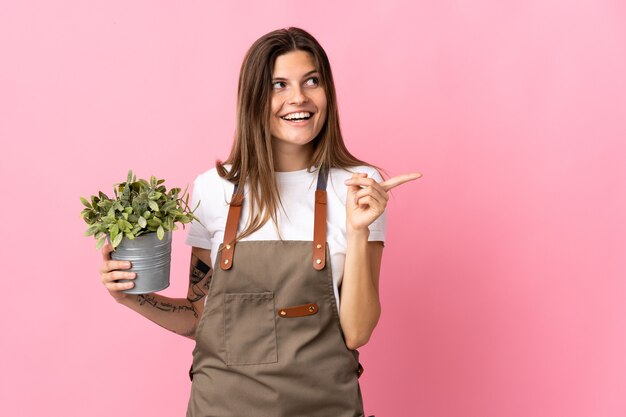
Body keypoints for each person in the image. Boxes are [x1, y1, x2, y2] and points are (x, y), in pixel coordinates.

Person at [98, 27, 421, 417]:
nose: (298, 97)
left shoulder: (357, 186)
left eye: (312, 81)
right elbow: (202, 319)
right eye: (278, 85)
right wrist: (132, 297)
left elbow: (357, 332)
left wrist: (358, 228)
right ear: (254, 98)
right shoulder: (214, 188)